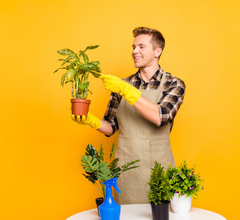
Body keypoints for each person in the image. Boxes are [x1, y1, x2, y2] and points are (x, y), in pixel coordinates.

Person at [72, 27, 186, 204]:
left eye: (141, 46)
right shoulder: (122, 84)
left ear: (158, 51)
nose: (135, 51)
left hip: (159, 167)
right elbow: (110, 127)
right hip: (126, 169)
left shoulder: (173, 84)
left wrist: (127, 91)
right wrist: (90, 120)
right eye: (133, 47)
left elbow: (161, 116)